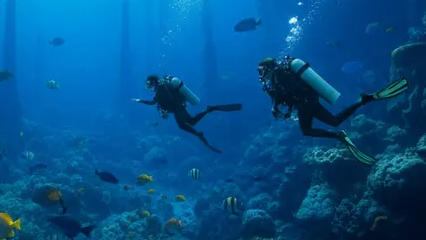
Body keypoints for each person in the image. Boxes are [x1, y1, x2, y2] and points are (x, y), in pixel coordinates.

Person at [257, 56, 408, 165]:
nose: (261, 75)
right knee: (334, 121)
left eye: (261, 71)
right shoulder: (280, 74)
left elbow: (284, 95)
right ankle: (364, 100)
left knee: (307, 130)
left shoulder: (279, 75)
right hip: (309, 100)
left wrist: (275, 102)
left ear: (267, 68)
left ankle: (339, 135)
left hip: (305, 103)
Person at [133, 74, 242, 153]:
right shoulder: (162, 88)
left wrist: (140, 101)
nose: (150, 87)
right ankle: (200, 129)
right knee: (188, 123)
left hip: (177, 108)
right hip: (177, 108)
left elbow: (153, 102)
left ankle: (208, 114)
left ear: (155, 82)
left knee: (188, 123)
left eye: (150, 84)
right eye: (148, 85)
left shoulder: (160, 89)